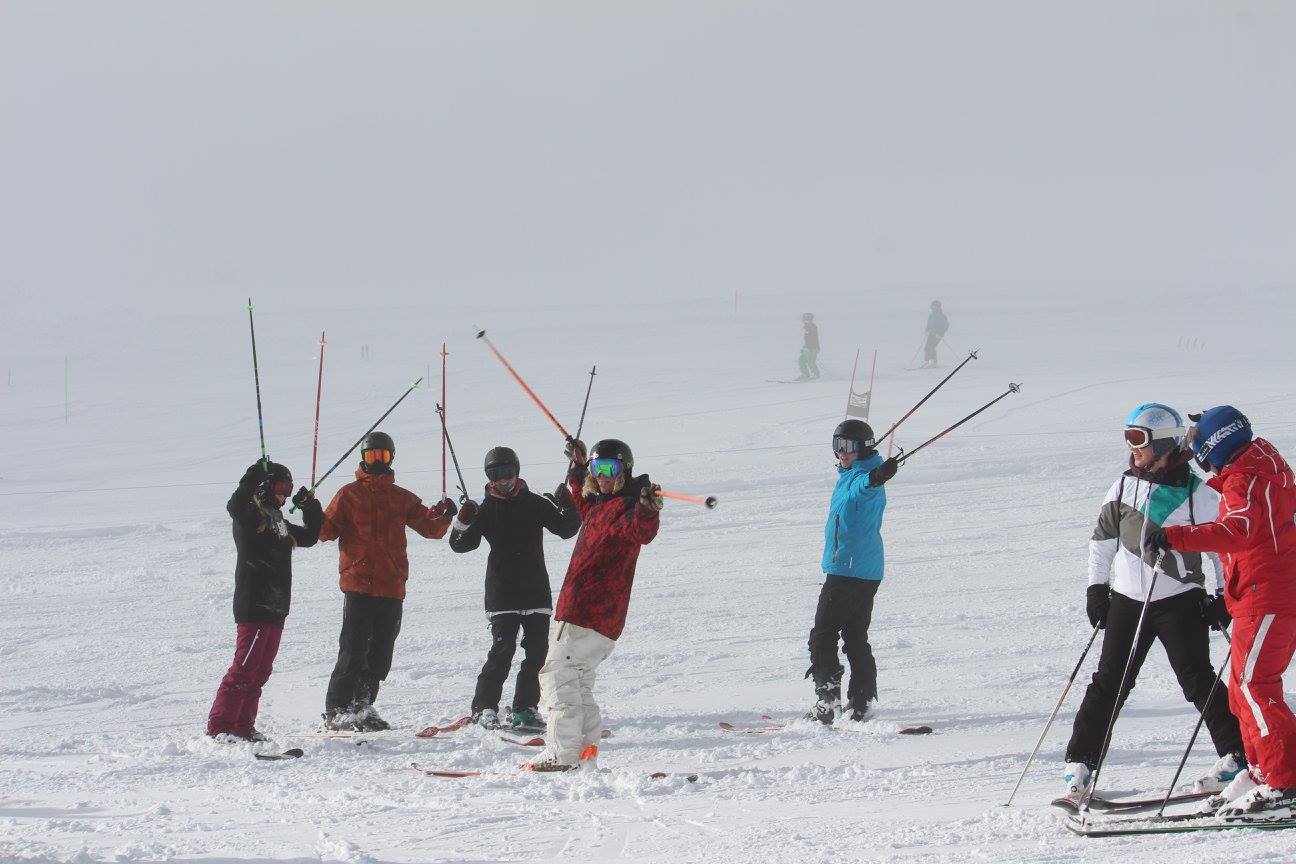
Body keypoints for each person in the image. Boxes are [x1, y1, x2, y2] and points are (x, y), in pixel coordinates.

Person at [1060, 403, 1244, 804]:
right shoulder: (1124, 486)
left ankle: (1238, 756)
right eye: (1128, 437)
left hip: (1179, 601)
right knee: (1109, 683)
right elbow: (1102, 542)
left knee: (1197, 680)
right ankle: (1081, 765)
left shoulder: (1199, 494)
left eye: (1138, 439)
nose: (1132, 448)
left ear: (1162, 443)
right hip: (1127, 600)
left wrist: (1222, 598)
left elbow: (1222, 551)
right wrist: (1096, 589)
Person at [1149, 406, 1296, 820]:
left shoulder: (1247, 478)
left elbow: (1239, 531)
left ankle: (1285, 782)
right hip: (1258, 592)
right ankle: (1262, 773)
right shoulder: (1258, 468)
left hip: (1268, 594)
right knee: (1242, 691)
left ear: (1216, 443)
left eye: (1197, 443)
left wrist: (1173, 537)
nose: (1195, 452)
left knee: (1255, 688)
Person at [527, 437, 661, 771]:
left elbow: (642, 530)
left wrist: (647, 508)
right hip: (596, 616)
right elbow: (581, 498)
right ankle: (585, 751)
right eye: (597, 469)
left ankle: (562, 752)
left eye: (610, 469)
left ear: (624, 471)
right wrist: (576, 464)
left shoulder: (627, 509)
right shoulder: (600, 505)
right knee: (578, 682)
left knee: (557, 677)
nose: (602, 475)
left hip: (588, 612)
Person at [317, 431, 457, 732]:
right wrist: (311, 512)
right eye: (371, 456)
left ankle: (362, 704)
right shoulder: (348, 494)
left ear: (391, 458)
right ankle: (337, 709)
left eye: (382, 456)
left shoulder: (401, 497)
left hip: (392, 585)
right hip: (358, 582)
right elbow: (325, 530)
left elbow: (430, 528)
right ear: (362, 458)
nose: (376, 461)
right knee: (353, 648)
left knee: (380, 651)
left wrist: (445, 515)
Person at [448, 445, 581, 730]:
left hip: (535, 590)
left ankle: (525, 708)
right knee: (502, 651)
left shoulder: (534, 503)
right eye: (496, 474)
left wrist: (567, 502)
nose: (503, 479)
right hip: (502, 594)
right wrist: (463, 520)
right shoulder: (485, 510)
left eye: (507, 472)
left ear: (516, 471)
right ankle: (484, 708)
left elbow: (567, 528)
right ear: (489, 477)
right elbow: (460, 545)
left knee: (537, 654)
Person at [207, 461, 322, 741]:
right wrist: (252, 476)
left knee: (260, 672)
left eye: (289, 489)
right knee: (243, 669)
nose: (284, 495)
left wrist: (310, 507)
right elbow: (234, 506)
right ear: (265, 487)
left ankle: (243, 726)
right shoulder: (251, 517)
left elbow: (309, 537)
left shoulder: (278, 521)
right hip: (255, 605)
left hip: (276, 608)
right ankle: (220, 727)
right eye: (281, 488)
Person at [807, 419, 899, 724]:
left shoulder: (864, 478)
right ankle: (860, 702)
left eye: (847, 447)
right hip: (864, 568)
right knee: (855, 635)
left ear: (863, 448)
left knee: (822, 635)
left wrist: (876, 477)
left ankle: (828, 700)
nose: (841, 453)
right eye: (837, 446)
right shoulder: (848, 475)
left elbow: (866, 485)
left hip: (848, 569)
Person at [922, 301, 948, 368]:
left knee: (932, 347)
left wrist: (940, 333)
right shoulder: (931, 315)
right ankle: (927, 361)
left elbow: (945, 326)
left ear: (938, 307)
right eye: (932, 306)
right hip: (931, 334)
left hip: (937, 335)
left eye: (935, 306)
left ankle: (933, 362)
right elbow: (929, 323)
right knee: (927, 347)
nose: (933, 308)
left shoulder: (942, 316)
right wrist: (927, 330)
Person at [797, 313, 821, 381]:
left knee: (811, 361)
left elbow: (812, 339)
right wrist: (804, 347)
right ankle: (805, 374)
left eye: (806, 319)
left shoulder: (812, 327)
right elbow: (807, 339)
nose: (804, 320)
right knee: (801, 360)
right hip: (807, 348)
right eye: (804, 319)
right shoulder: (806, 327)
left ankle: (816, 375)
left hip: (813, 348)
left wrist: (808, 347)